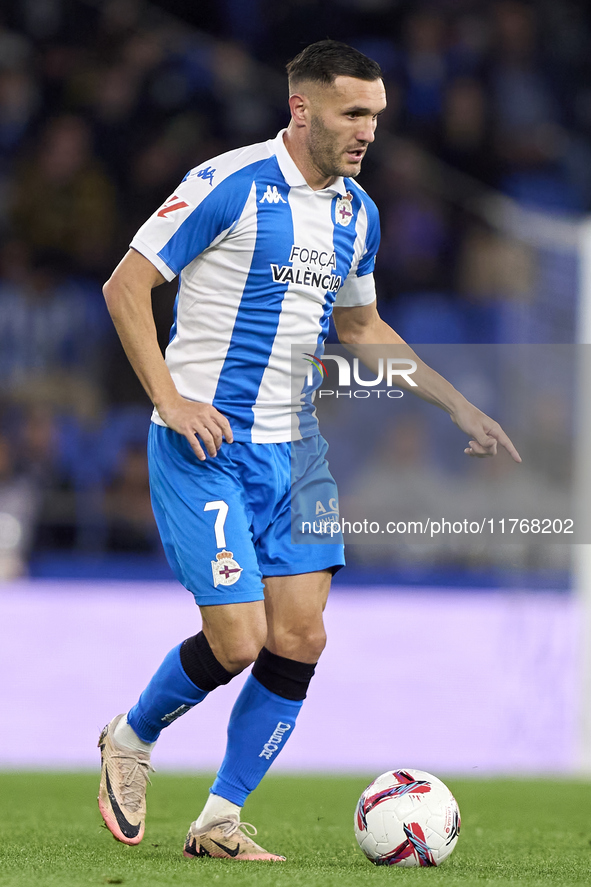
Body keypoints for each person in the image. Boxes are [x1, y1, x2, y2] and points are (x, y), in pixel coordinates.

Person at [98, 39, 521, 862]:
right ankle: (128, 734)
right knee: (237, 642)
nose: (367, 130)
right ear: (302, 108)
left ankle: (219, 819)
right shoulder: (229, 183)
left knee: (300, 638)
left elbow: (360, 329)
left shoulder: (356, 212)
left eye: (376, 115)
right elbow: (125, 284)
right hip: (204, 443)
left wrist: (457, 404)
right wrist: (168, 396)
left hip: (296, 454)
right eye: (352, 112)